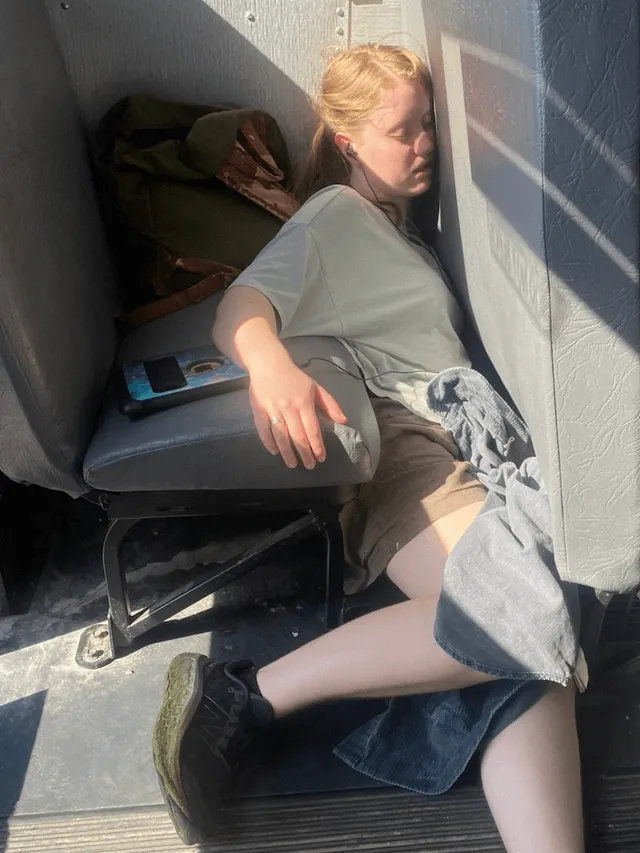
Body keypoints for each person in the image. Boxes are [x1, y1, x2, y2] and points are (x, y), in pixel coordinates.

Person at [152, 44, 584, 852]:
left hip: (455, 443)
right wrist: (271, 366)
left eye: (428, 125)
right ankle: (246, 696)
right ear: (348, 142)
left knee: (535, 659)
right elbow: (242, 304)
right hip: (406, 449)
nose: (424, 145)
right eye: (402, 131)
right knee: (521, 616)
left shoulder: (395, 225)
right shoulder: (335, 217)